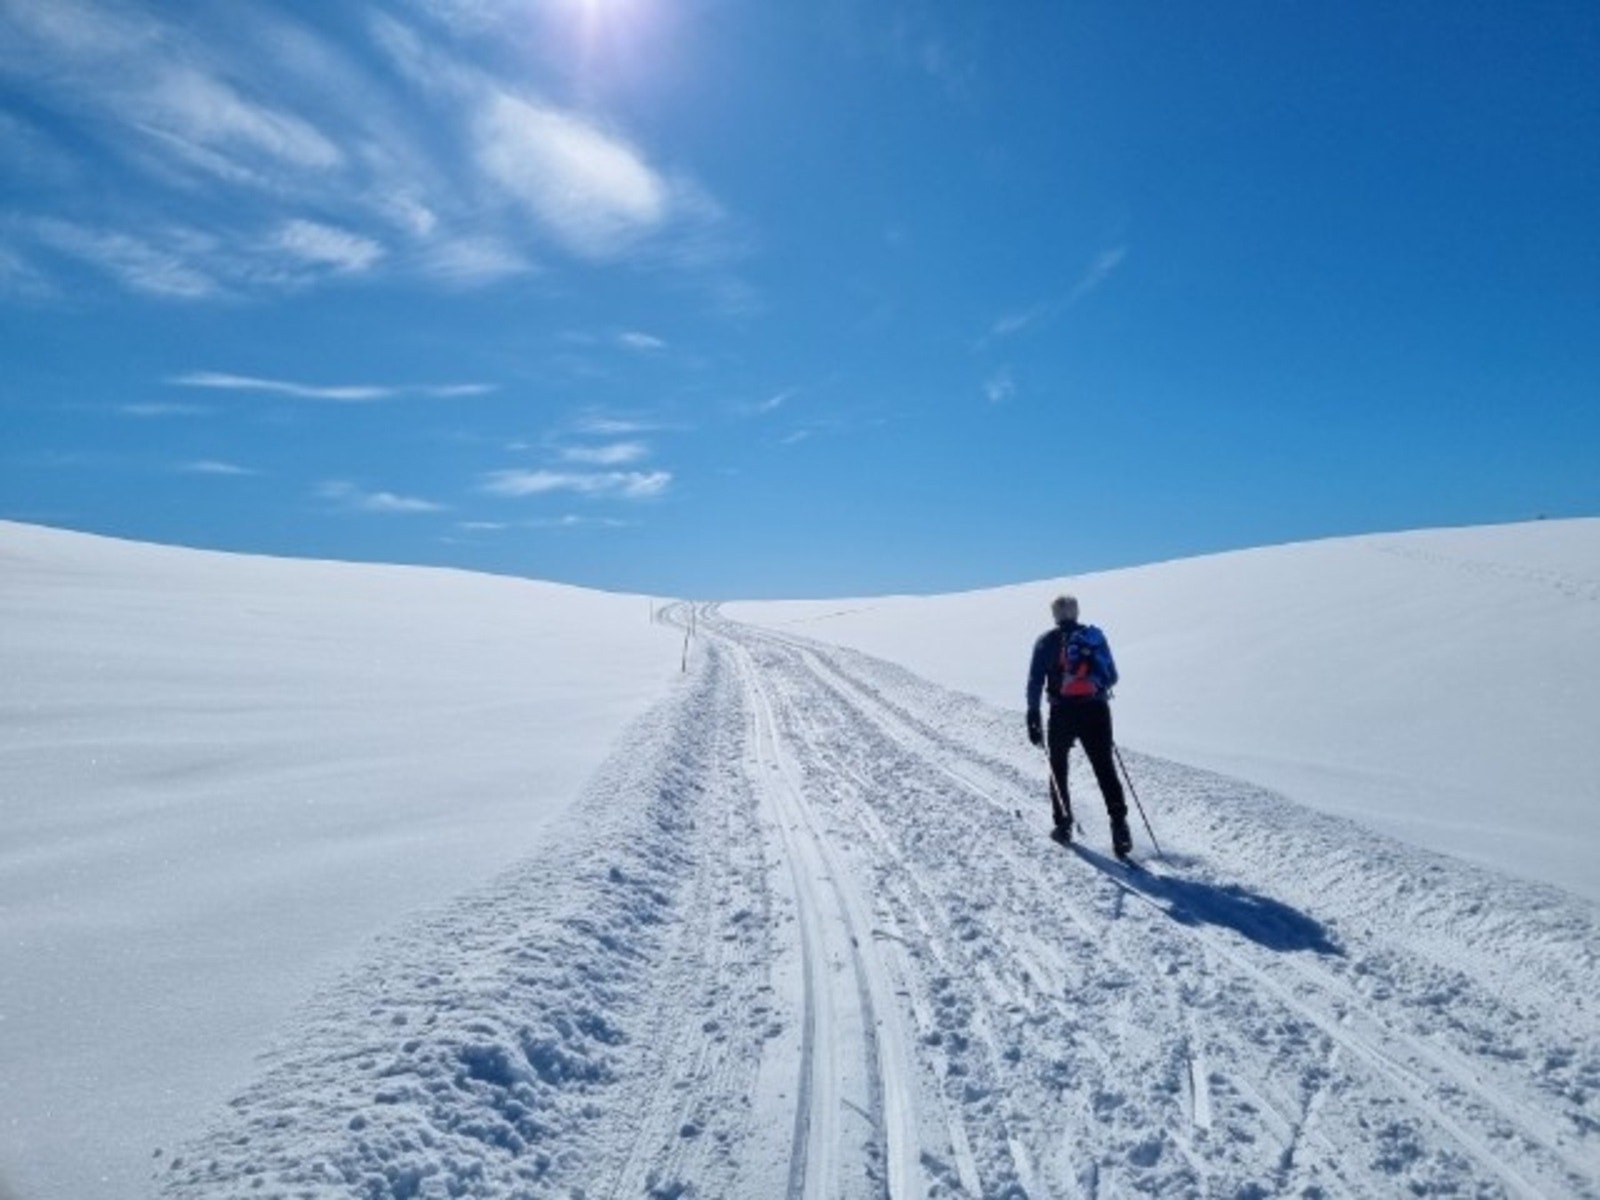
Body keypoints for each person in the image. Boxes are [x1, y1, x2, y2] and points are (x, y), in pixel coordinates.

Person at [1025, 594, 1132, 855]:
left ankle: (1063, 825)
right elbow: (1113, 676)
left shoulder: (1046, 641)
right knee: (1105, 767)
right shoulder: (1094, 638)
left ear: (1054, 615)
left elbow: (1035, 681)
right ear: (1076, 612)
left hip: (1062, 712)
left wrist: (1033, 714)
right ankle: (1119, 826)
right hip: (1096, 709)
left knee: (1058, 767)